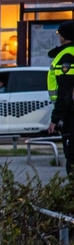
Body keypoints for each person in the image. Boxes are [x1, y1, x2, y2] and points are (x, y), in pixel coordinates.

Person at [47, 20, 74, 175]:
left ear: (65, 36)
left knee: (71, 156)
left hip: (71, 113)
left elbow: (65, 92)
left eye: (59, 33)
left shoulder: (67, 57)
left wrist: (55, 118)